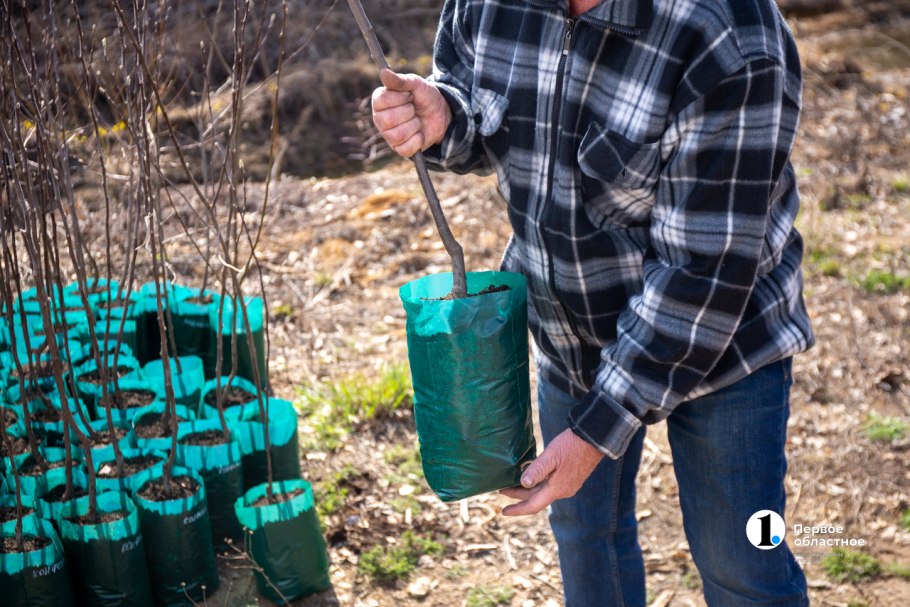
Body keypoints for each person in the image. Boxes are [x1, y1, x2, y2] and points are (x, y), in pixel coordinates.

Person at [372, 0, 815, 604]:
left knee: (743, 567)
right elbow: (481, 109)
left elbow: (702, 271)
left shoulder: (727, 32)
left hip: (725, 346)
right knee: (586, 542)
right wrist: (444, 116)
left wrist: (593, 434)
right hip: (570, 331)